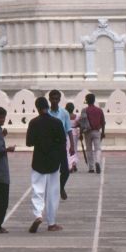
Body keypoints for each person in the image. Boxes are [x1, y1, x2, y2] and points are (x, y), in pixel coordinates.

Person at [25, 95, 66, 233]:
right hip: (54, 161)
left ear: (37, 108)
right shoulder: (57, 122)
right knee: (52, 193)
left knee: (38, 190)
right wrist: (64, 163)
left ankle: (38, 215)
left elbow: (29, 142)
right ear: (47, 107)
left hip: (38, 161)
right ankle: (52, 223)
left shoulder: (33, 123)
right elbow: (62, 143)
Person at [47, 89, 73, 200]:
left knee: (66, 171)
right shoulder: (46, 113)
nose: (54, 101)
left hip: (61, 144)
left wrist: (72, 145)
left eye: (57, 99)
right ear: (49, 99)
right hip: (49, 145)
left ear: (59, 100)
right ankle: (52, 190)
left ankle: (61, 187)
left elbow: (69, 129)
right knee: (52, 170)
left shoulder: (64, 113)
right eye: (53, 98)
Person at [79, 93, 106, 174]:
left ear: (87, 101)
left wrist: (80, 133)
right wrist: (103, 132)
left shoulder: (84, 110)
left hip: (87, 132)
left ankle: (91, 168)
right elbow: (103, 122)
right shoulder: (99, 110)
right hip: (97, 131)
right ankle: (97, 161)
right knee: (98, 148)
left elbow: (82, 123)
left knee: (89, 149)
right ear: (94, 100)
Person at [64, 102, 79, 172]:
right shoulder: (76, 116)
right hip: (75, 133)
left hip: (68, 133)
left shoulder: (65, 116)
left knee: (68, 149)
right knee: (74, 149)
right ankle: (74, 163)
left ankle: (70, 165)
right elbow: (79, 124)